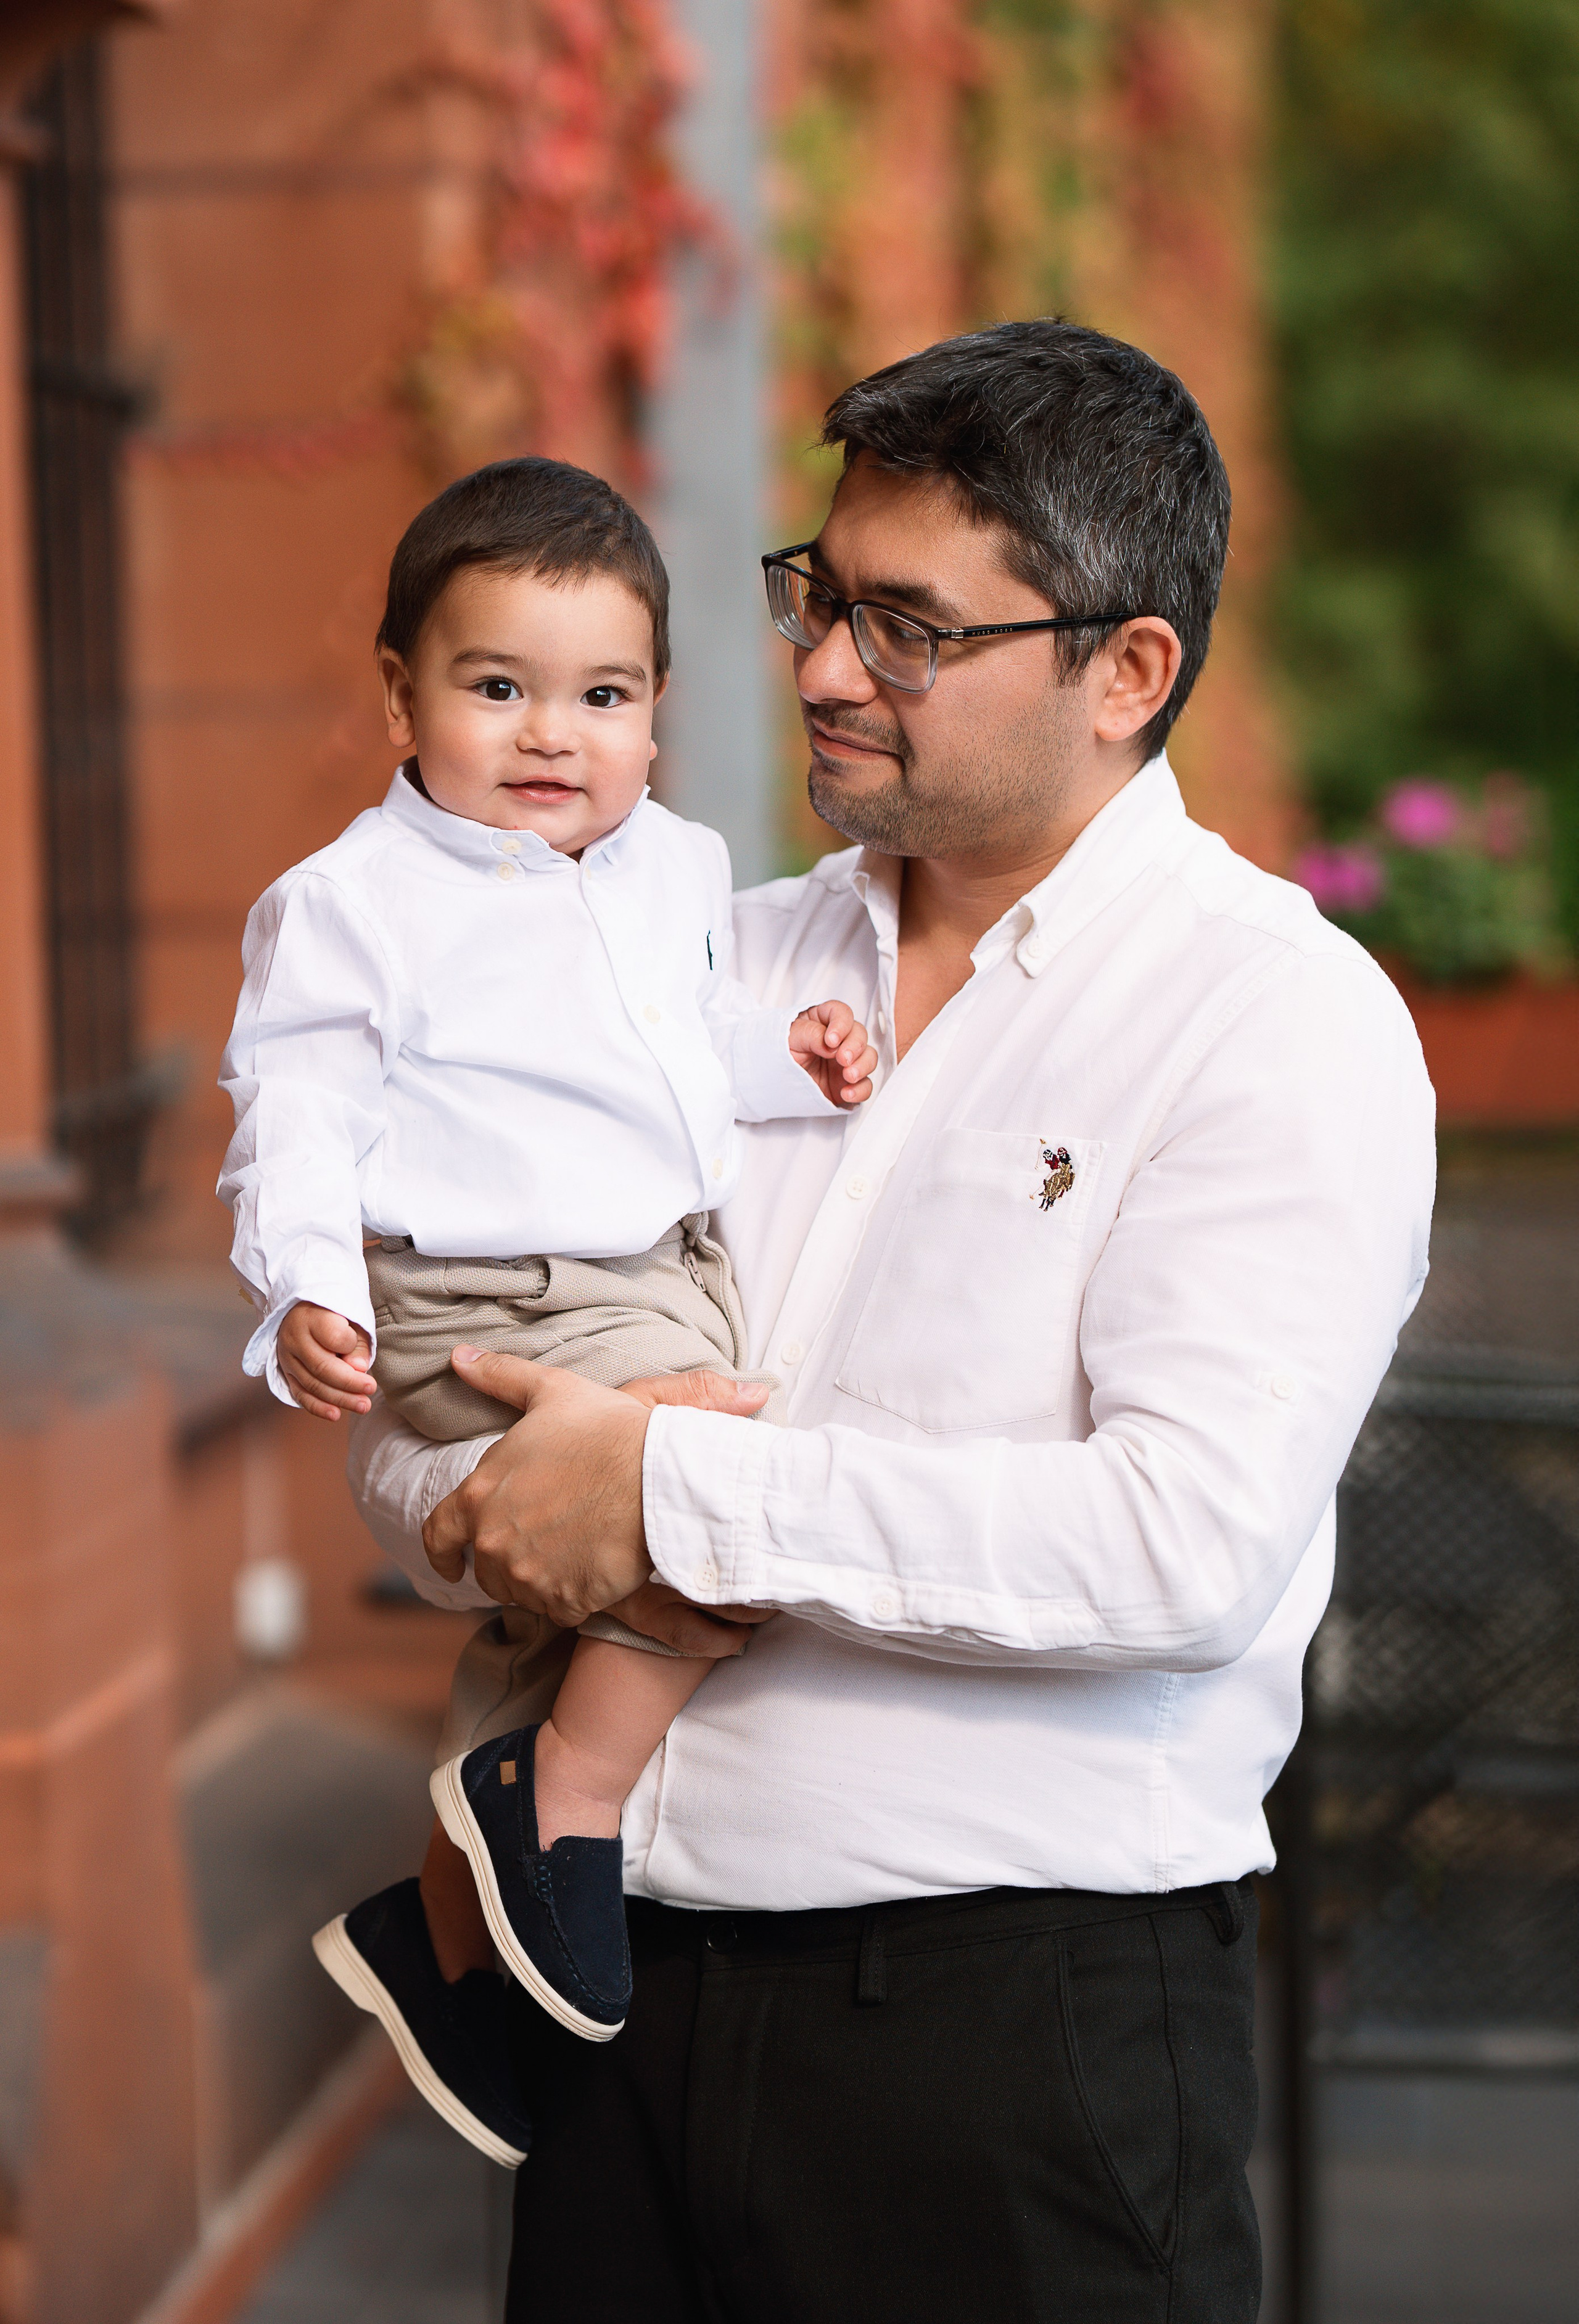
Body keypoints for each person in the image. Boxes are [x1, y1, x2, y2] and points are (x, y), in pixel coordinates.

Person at [354, 319, 1436, 2323]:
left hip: (1008, 2052)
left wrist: (675, 1490)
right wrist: (459, 1497)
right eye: (821, 597)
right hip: (609, 2006)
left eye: (911, 630)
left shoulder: (1276, 1022)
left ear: (1128, 672)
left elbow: (1181, 1542)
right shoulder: (692, 960)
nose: (828, 669)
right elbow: (445, 1375)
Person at [217, 457, 875, 2167]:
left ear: (659, 711)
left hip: (657, 1263)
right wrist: (303, 1278)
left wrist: (785, 1062)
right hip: (474, 1287)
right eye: (495, 687)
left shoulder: (675, 868)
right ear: (401, 691)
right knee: (720, 1502)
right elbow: (289, 1107)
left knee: (598, 1575)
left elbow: (662, 1065)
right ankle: (554, 1798)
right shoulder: (357, 901)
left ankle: (437, 1936)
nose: (547, 736)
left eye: (601, 696)